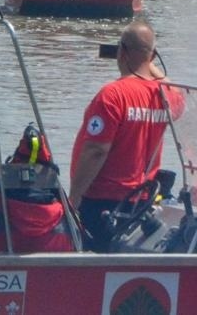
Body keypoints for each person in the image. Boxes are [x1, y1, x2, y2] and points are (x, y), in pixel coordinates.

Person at [67, 21, 176, 252]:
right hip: (141, 203)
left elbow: (96, 150)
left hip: (101, 202)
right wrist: (148, 59)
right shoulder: (167, 96)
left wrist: (73, 200)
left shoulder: (112, 95)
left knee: (93, 269)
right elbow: (171, 85)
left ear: (121, 52)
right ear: (153, 56)